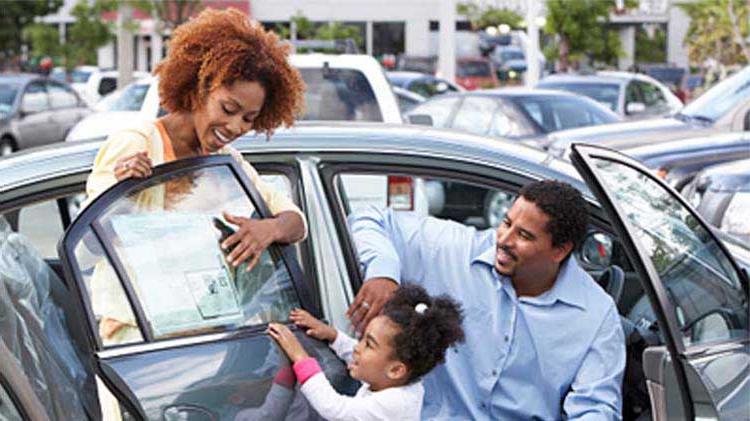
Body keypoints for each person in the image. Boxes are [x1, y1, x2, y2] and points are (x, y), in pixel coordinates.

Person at [83, 8, 307, 344]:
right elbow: (90, 244)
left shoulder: (226, 161)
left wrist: (269, 229)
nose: (235, 128)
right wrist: (120, 193)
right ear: (199, 87)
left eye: (249, 118)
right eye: (228, 109)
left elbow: (297, 223)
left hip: (200, 338)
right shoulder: (137, 143)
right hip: (134, 341)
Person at [347, 180, 626, 420]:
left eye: (524, 236)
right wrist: (383, 273)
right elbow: (370, 218)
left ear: (560, 251)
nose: (504, 239)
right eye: (506, 223)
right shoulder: (452, 250)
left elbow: (596, 408)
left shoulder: (596, 316)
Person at [268, 284, 465, 421]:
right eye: (362, 339)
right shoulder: (392, 380)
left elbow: (334, 408)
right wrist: (333, 335)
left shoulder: (394, 403)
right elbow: (367, 359)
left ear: (396, 370)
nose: (357, 348)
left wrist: (300, 356)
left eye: (368, 344)